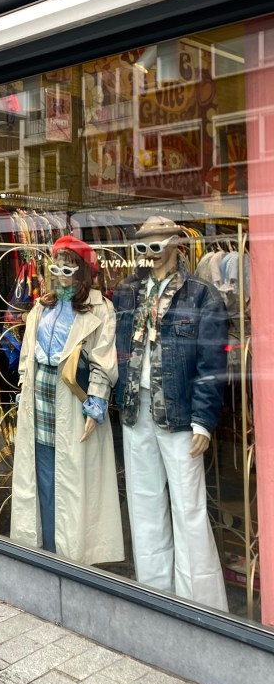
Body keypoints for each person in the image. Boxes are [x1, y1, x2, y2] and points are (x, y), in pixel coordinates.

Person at [112, 215, 229, 611]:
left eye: (157, 245)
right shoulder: (127, 292)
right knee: (144, 503)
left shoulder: (201, 295)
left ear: (176, 245)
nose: (151, 254)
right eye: (144, 246)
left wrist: (203, 420)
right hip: (136, 408)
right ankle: (155, 595)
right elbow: (117, 348)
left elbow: (212, 365)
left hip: (179, 413)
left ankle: (201, 605)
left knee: (188, 507)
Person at [11, 236, 124, 565]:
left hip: (73, 402)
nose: (61, 276)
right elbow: (27, 354)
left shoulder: (100, 308)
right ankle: (45, 552)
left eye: (68, 269)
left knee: (72, 484)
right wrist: (23, 387)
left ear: (82, 272)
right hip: (39, 400)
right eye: (56, 269)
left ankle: (70, 559)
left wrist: (97, 400)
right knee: (43, 476)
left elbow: (104, 359)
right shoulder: (41, 306)